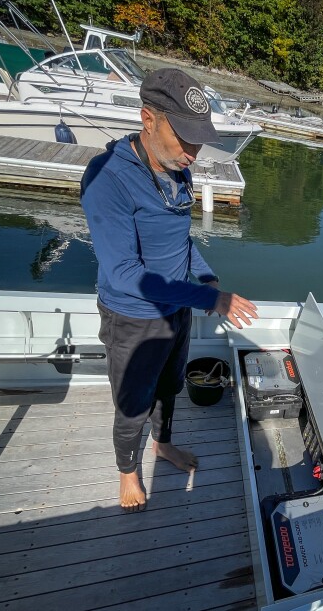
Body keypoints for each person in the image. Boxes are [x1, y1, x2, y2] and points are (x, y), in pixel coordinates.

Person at [80, 68, 258, 511]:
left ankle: (162, 445)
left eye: (199, 141)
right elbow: (123, 272)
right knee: (133, 403)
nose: (194, 154)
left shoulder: (178, 170)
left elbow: (179, 240)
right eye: (185, 139)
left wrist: (205, 277)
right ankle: (127, 472)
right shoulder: (107, 178)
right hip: (134, 318)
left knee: (170, 387)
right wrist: (211, 300)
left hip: (177, 307)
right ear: (148, 119)